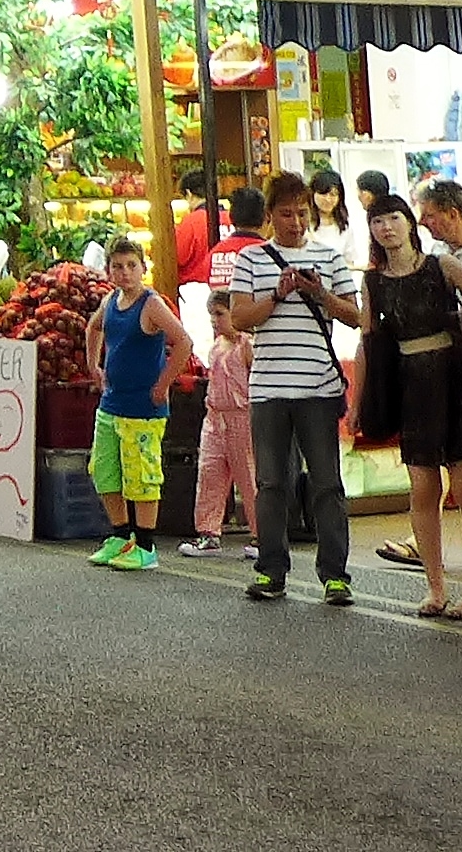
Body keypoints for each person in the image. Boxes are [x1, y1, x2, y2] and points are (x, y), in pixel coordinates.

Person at [226, 171, 362, 604]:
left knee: (327, 483)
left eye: (301, 213)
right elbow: (240, 319)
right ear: (269, 216)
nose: (296, 222)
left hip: (319, 388)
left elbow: (355, 316)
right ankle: (271, 569)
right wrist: (278, 296)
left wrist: (320, 294)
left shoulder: (330, 258)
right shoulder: (251, 260)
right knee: (271, 483)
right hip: (268, 389)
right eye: (286, 214)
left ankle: (336, 574)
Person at [356, 191, 462, 619]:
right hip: (410, 385)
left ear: (409, 222)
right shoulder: (372, 282)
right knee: (422, 488)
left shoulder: (442, 265)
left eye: (393, 218)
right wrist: (360, 399)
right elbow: (368, 342)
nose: (386, 227)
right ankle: (435, 587)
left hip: (455, 380)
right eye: (378, 222)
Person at [81, 238, 194, 571]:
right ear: (109, 270)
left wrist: (163, 383)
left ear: (143, 269)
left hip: (143, 409)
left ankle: (145, 545)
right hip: (111, 403)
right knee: (105, 470)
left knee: (142, 476)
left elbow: (183, 341)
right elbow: (93, 328)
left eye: (132, 266)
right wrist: (93, 366)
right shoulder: (110, 302)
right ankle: (120, 534)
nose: (125, 272)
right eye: (118, 266)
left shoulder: (151, 304)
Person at [182, 252, 261, 560]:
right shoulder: (216, 347)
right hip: (215, 417)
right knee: (210, 473)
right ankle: (208, 532)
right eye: (212, 315)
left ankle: (260, 535)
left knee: (250, 479)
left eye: (219, 314)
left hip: (243, 418)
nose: (215, 321)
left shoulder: (247, 346)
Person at [170, 168, 213, 290]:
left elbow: (176, 258)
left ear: (189, 194)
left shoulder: (190, 222)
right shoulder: (230, 218)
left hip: (195, 293)